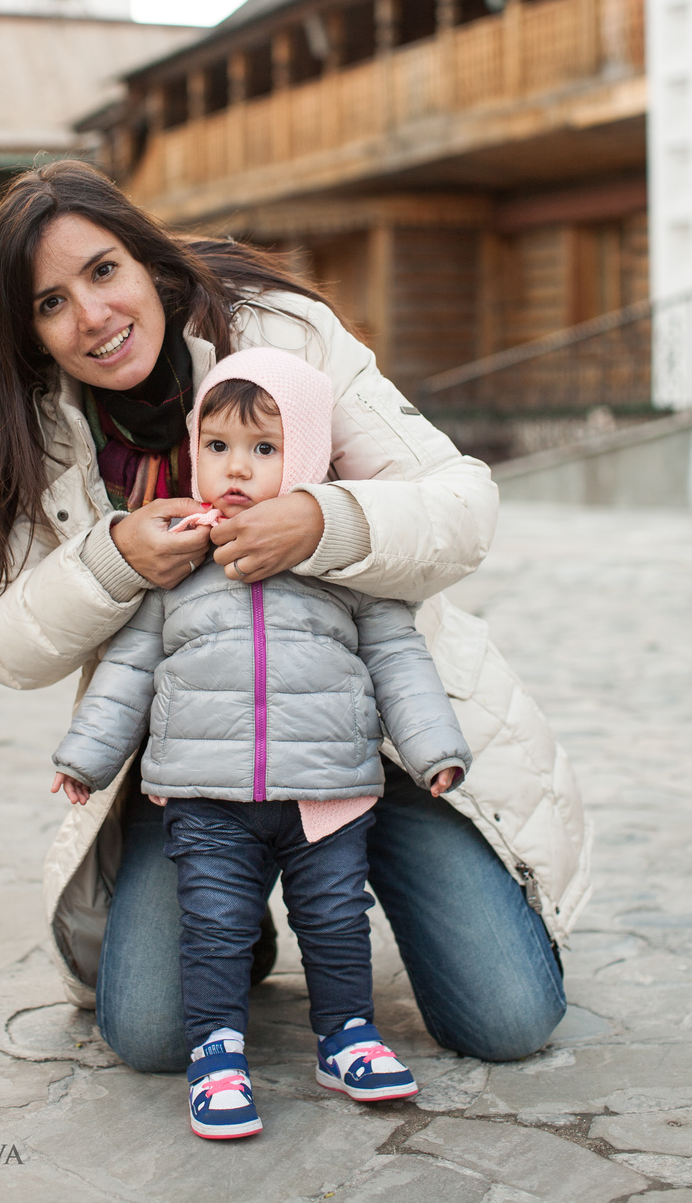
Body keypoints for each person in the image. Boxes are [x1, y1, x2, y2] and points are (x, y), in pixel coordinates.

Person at [0, 160, 587, 1077]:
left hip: (360, 744)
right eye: (50, 303)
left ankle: (352, 890)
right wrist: (112, 558)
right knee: (152, 1034)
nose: (90, 316)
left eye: (101, 271)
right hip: (199, 768)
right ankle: (233, 915)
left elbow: (461, 504)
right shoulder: (31, 430)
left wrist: (328, 520)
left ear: (148, 262)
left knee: (510, 1018)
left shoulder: (279, 333)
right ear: (30, 333)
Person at [51, 349, 473, 1138]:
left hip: (326, 791)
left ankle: (345, 1034)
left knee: (337, 916)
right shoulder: (178, 558)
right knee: (213, 921)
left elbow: (397, 655)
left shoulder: (340, 562)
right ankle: (217, 1048)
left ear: (306, 456)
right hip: (208, 796)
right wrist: (87, 756)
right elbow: (131, 667)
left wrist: (432, 746)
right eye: (218, 447)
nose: (236, 468)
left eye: (265, 449)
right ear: (194, 451)